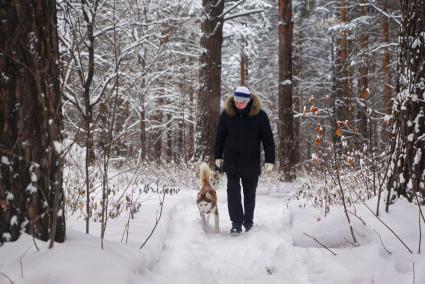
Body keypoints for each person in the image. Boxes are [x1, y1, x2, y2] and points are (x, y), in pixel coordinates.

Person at [214, 86, 275, 235]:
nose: (239, 104)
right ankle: (236, 223)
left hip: (251, 161)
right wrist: (217, 156)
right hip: (231, 159)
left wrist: (270, 159)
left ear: (248, 101)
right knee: (233, 191)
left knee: (249, 193)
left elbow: (268, 139)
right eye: (236, 101)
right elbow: (220, 137)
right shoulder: (227, 114)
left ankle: (248, 222)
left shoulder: (260, 116)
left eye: (242, 102)